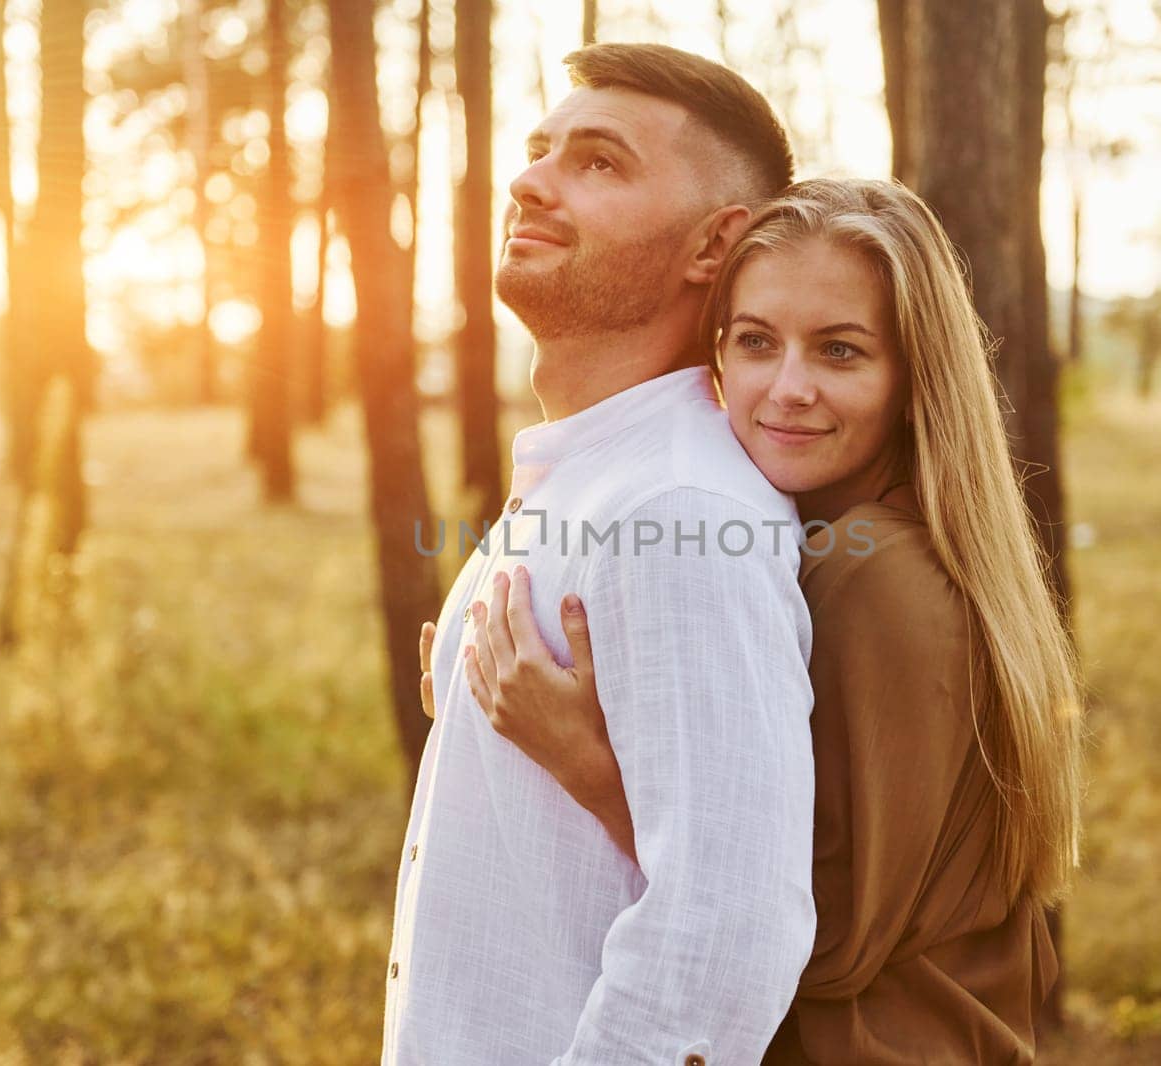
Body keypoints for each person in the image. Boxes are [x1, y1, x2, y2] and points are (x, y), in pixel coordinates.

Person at [453, 179, 1085, 1064]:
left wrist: (584, 762)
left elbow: (805, 933)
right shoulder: (852, 539)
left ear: (913, 378)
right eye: (756, 343)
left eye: (839, 351)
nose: (788, 389)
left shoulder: (872, 574)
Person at [383, 44, 822, 1064]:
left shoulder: (673, 508)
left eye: (599, 163)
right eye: (539, 150)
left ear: (714, 246)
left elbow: (723, 934)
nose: (529, 179)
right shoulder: (588, 471)